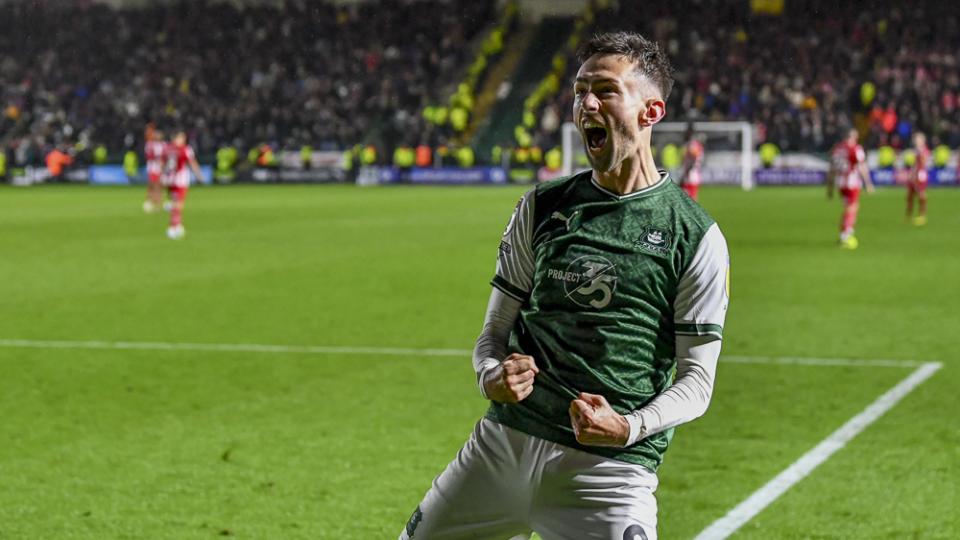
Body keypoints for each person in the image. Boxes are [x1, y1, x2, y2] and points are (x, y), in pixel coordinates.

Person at [401, 31, 729, 540]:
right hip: (502, 447)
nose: (586, 104)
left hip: (608, 474)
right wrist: (490, 375)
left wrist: (628, 427)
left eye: (606, 91)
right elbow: (493, 333)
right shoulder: (542, 207)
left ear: (651, 111)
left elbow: (697, 382)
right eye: (579, 92)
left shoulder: (694, 235)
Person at [827, 128, 874, 249]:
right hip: (852, 182)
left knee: (849, 208)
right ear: (852, 137)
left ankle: (845, 232)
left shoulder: (837, 149)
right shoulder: (855, 148)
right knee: (852, 208)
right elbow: (862, 166)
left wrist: (830, 188)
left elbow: (832, 169)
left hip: (840, 183)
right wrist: (868, 184)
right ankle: (846, 236)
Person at [162, 130, 203, 239]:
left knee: (176, 202)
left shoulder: (167, 148)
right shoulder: (185, 149)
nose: (183, 140)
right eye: (181, 138)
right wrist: (199, 176)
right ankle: (174, 227)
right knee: (179, 204)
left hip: (169, 179)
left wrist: (164, 176)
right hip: (180, 180)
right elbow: (192, 163)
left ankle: (177, 225)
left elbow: (163, 163)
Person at [905, 132, 929, 226]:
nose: (916, 141)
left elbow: (923, 163)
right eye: (916, 140)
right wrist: (911, 173)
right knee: (910, 195)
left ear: (923, 141)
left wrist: (920, 154)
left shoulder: (924, 150)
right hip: (914, 174)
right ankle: (908, 215)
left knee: (921, 194)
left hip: (920, 174)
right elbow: (914, 164)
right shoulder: (916, 150)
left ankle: (922, 216)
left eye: (918, 139)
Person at [143, 128, 167, 213]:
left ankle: (156, 203)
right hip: (153, 168)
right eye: (156, 134)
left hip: (162, 168)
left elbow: (166, 156)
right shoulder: (150, 144)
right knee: (153, 185)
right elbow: (149, 155)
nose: (158, 136)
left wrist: (164, 164)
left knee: (160, 186)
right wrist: (158, 160)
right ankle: (151, 202)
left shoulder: (164, 144)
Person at [678, 122, 704, 200]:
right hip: (693, 175)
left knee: (689, 199)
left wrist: (686, 173)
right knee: (688, 199)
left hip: (690, 176)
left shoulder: (692, 145)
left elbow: (694, 158)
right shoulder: (696, 144)